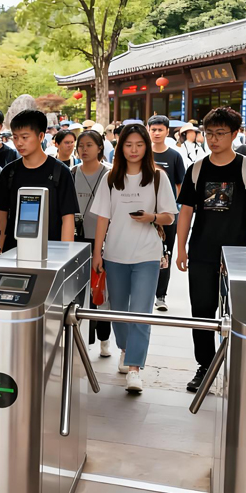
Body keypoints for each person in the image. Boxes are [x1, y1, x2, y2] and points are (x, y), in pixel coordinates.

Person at [90, 123, 177, 393]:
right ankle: (126, 350)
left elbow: (169, 216)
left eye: (139, 145)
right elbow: (103, 217)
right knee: (118, 311)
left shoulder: (158, 177)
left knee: (140, 312)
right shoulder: (110, 178)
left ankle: (135, 368)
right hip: (115, 253)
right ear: (120, 147)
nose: (134, 150)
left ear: (146, 147)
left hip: (147, 254)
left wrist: (151, 217)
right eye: (129, 145)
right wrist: (97, 252)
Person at [176, 107, 246, 393]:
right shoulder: (198, 168)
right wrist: (180, 248)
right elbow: (186, 212)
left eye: (220, 134)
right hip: (202, 251)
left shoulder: (244, 166)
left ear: (234, 134)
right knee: (202, 311)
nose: (213, 139)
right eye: (209, 134)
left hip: (239, 254)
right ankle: (204, 366)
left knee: (239, 312)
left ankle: (238, 365)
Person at [0, 110, 79, 253]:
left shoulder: (60, 172)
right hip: (14, 251)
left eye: (25, 137)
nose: (19, 143)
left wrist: (66, 255)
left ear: (40, 136)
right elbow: (2, 216)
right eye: (15, 137)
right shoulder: (9, 172)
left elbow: (68, 218)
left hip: (51, 251)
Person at [72, 130, 112, 354]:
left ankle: (104, 338)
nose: (84, 149)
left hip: (103, 239)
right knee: (79, 291)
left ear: (99, 148)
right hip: (77, 240)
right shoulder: (71, 172)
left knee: (101, 292)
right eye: (81, 146)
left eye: (89, 145)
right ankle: (82, 338)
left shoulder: (111, 174)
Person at [148, 115, 185, 312]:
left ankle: (161, 295)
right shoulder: (142, 153)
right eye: (153, 129)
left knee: (165, 253)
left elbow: (180, 186)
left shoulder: (175, 156)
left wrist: (175, 210)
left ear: (167, 132)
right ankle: (145, 290)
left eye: (160, 130)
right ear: (148, 130)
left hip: (168, 214)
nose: (156, 133)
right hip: (145, 213)